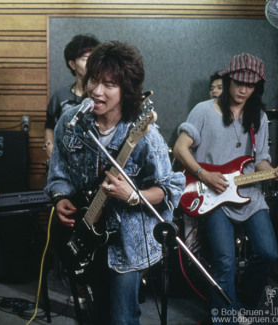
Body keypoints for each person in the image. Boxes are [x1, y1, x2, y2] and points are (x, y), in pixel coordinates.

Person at [45, 41, 185, 325]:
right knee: (96, 316)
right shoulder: (71, 122)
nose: (97, 91)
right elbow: (57, 174)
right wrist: (60, 198)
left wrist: (134, 195)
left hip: (128, 241)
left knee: (122, 318)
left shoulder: (145, 134)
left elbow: (171, 189)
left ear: (127, 90)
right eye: (93, 80)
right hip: (85, 232)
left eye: (109, 85)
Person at [173, 53, 278, 324]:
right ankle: (225, 318)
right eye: (239, 83)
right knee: (224, 260)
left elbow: (259, 160)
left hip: (249, 195)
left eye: (251, 85)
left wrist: (275, 173)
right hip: (213, 195)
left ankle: (243, 304)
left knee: (268, 252)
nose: (244, 90)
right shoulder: (203, 110)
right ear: (228, 80)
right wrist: (204, 174)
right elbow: (180, 148)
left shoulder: (257, 116)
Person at [44, 34, 100, 162]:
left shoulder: (103, 96)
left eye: (94, 59)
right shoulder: (61, 95)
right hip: (65, 161)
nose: (91, 64)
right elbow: (49, 126)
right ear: (72, 64)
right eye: (86, 59)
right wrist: (49, 145)